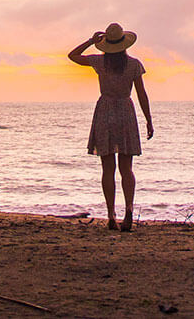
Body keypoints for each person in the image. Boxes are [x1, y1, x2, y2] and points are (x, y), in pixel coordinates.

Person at [68, 22, 153, 231]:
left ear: (106, 44)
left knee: (108, 169)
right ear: (124, 44)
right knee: (127, 169)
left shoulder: (100, 62)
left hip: (105, 110)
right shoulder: (133, 64)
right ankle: (129, 210)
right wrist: (148, 119)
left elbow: (72, 56)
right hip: (125, 109)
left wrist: (90, 41)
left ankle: (111, 215)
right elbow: (142, 94)